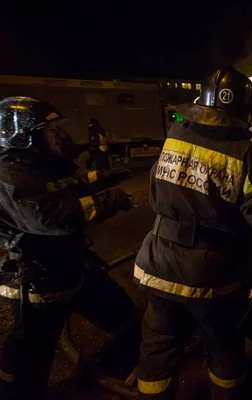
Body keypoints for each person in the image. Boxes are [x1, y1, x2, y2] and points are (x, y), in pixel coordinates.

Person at [134, 66, 252, 399]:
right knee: (224, 343)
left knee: (158, 345)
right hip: (211, 274)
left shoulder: (175, 133)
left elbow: (155, 191)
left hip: (156, 262)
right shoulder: (251, 158)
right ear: (245, 112)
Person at [0, 97, 135, 399]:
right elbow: (51, 217)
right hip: (41, 281)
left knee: (123, 316)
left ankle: (120, 367)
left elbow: (68, 185)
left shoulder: (38, 165)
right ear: (26, 135)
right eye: (49, 129)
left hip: (73, 267)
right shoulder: (9, 175)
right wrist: (110, 199)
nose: (60, 134)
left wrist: (107, 176)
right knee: (26, 362)